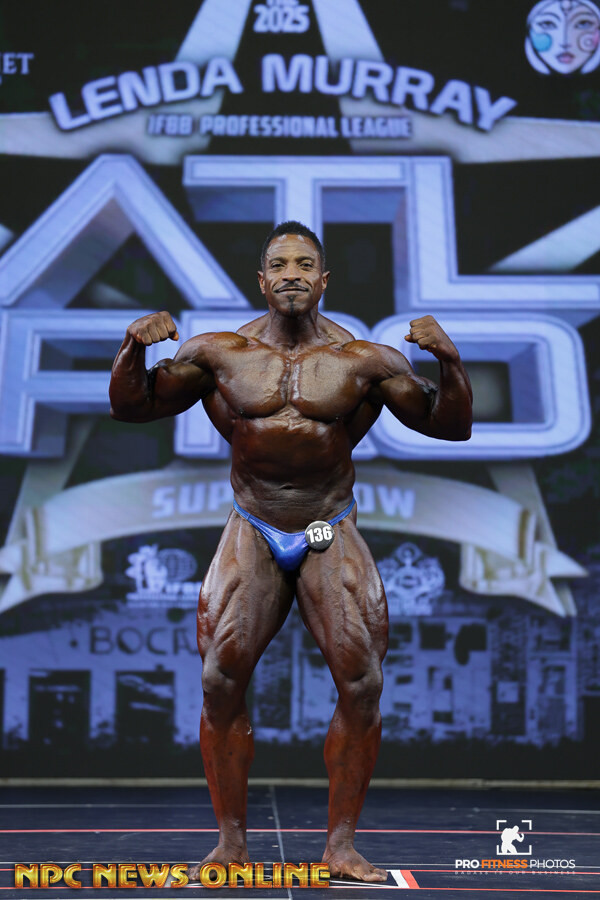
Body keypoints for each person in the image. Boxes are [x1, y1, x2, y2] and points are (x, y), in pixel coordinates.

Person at [109, 221, 472, 882]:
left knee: (362, 683)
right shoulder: (219, 353)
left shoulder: (364, 360)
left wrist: (449, 361)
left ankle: (341, 846)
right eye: (280, 264)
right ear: (262, 280)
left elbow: (450, 426)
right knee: (220, 679)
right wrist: (133, 349)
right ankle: (230, 843)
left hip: (327, 524)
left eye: (305, 264)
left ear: (324, 279)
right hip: (253, 522)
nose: (292, 275)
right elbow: (134, 408)